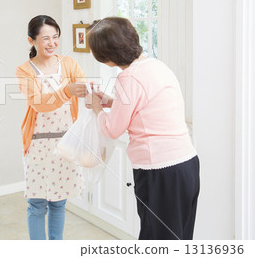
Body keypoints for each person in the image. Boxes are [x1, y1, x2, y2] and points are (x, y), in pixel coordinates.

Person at [85, 17, 200, 240]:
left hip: (160, 169)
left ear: (105, 56)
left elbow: (111, 129)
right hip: (187, 164)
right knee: (181, 237)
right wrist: (110, 101)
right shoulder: (156, 65)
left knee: (156, 238)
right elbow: (146, 106)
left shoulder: (128, 78)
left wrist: (98, 108)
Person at [16, 15, 88, 240]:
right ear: (32, 41)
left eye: (55, 37)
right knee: (37, 204)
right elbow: (38, 102)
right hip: (38, 144)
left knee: (59, 202)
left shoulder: (68, 63)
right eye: (45, 38)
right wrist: (67, 91)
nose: (52, 43)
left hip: (66, 142)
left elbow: (84, 89)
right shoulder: (25, 70)